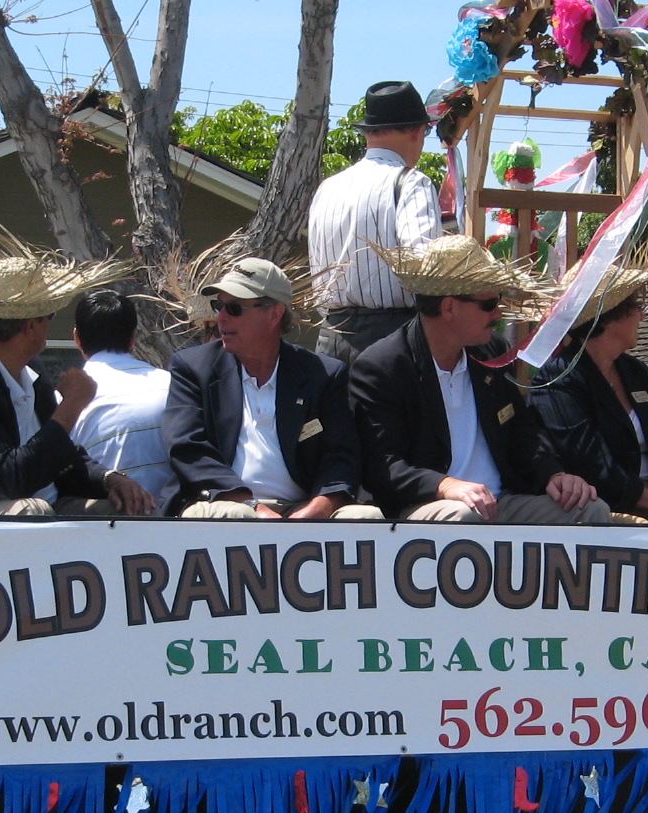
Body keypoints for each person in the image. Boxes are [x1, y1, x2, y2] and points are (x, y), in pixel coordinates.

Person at [349, 236, 610, 525]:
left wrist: (555, 475)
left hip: (501, 502)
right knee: (463, 516)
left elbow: (522, 433)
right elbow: (382, 468)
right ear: (450, 308)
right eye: (489, 304)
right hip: (429, 506)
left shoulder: (491, 351)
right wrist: (446, 486)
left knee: (590, 510)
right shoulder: (383, 366)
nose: (498, 314)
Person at [0, 250, 157, 517]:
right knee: (32, 512)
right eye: (49, 316)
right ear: (31, 326)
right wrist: (71, 407)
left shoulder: (31, 369)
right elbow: (15, 479)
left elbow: (61, 455)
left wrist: (111, 479)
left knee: (137, 511)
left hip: (48, 506)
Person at [163, 257, 382, 520]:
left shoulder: (322, 374)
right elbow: (187, 448)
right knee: (236, 517)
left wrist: (317, 509)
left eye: (234, 308)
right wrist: (254, 507)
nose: (220, 317)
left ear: (274, 314)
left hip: (299, 507)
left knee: (364, 517)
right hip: (222, 500)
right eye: (218, 305)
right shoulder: (193, 367)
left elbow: (341, 456)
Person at [530, 265, 648, 523]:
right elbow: (593, 467)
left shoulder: (635, 371)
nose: (642, 315)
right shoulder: (558, 380)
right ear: (609, 317)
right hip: (606, 508)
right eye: (634, 306)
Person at [308, 79, 445, 366]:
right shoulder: (411, 182)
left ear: (369, 132)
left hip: (330, 335)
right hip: (391, 337)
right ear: (416, 130)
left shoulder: (328, 188)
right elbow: (423, 269)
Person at [66, 286, 175, 509]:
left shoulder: (64, 399)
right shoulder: (173, 386)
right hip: (176, 518)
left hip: (106, 522)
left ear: (77, 337)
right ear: (133, 337)